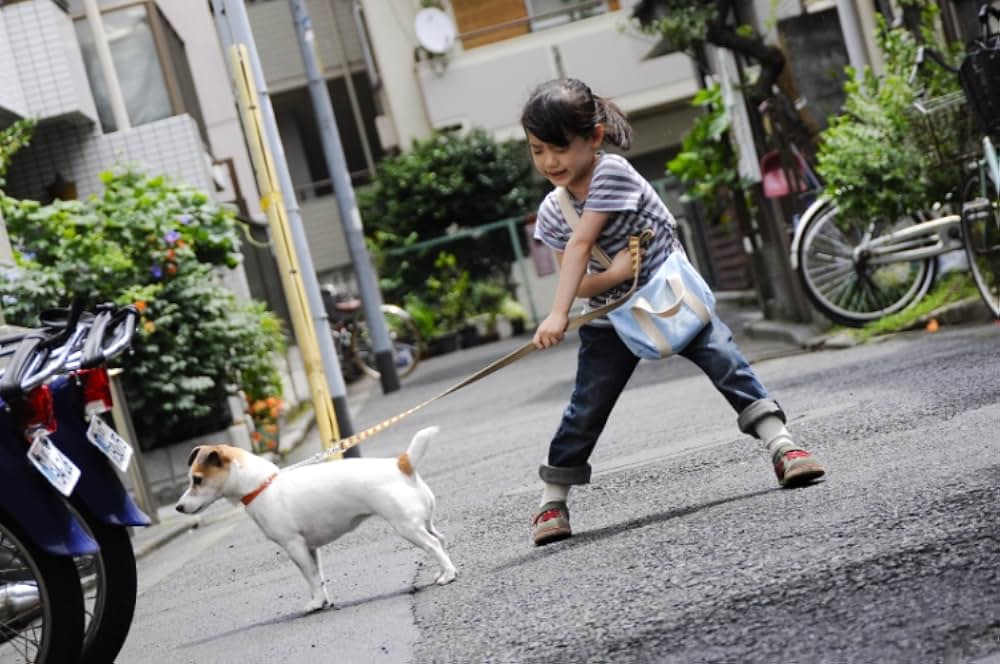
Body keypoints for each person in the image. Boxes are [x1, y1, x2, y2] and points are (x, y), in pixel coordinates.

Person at [522, 78, 825, 546]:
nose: (549, 162)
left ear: (595, 138)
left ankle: (783, 445)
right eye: (538, 150)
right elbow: (576, 277)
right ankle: (552, 499)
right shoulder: (551, 211)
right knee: (586, 406)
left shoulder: (612, 173)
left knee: (726, 361)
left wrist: (558, 314)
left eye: (559, 148)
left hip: (670, 295)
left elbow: (584, 243)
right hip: (610, 318)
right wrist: (614, 274)